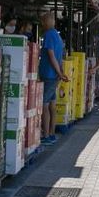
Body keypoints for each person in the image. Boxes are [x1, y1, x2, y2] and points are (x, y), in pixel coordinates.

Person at [38, 12, 68, 145]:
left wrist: (59, 73)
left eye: (43, 21)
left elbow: (51, 56)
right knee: (52, 104)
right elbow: (60, 57)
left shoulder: (49, 35)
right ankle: (51, 133)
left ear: (47, 21)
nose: (42, 24)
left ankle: (47, 135)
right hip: (54, 76)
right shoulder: (58, 36)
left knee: (44, 105)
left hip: (49, 75)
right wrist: (61, 72)